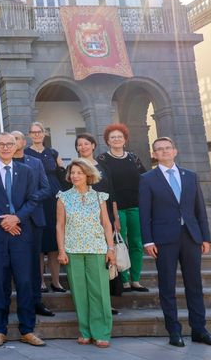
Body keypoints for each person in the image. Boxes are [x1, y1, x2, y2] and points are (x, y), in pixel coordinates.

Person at [139, 137, 211, 348]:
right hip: (163, 239)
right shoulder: (147, 179)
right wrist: (148, 241)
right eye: (160, 149)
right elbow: (144, 213)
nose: (165, 152)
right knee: (167, 286)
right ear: (154, 154)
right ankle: (174, 331)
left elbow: (200, 210)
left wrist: (205, 237)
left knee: (194, 285)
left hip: (191, 237)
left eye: (168, 148)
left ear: (175, 151)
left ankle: (200, 330)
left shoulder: (191, 176)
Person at [0, 132, 45, 347]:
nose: (5, 147)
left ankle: (27, 329)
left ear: (16, 146)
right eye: (1, 144)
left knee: (25, 281)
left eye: (9, 144)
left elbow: (33, 198)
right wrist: (3, 221)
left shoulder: (27, 171)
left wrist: (17, 218)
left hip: (22, 234)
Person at [56, 159, 116, 348]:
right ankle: (85, 331)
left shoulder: (100, 197)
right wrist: (61, 250)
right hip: (73, 250)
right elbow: (60, 225)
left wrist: (111, 248)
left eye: (79, 173)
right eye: (72, 173)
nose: (75, 176)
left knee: (99, 293)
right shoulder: (63, 197)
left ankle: (101, 332)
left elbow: (107, 224)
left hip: (97, 249)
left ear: (88, 175)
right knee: (79, 293)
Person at [97, 123, 148, 293]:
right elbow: (103, 185)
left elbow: (145, 179)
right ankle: (124, 279)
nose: (116, 139)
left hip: (136, 206)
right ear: (108, 141)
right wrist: (112, 213)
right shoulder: (103, 159)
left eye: (119, 137)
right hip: (115, 208)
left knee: (136, 243)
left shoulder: (133, 158)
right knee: (120, 243)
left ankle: (136, 279)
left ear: (125, 139)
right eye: (113, 137)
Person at [11, 131, 55, 318]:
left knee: (34, 265)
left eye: (17, 139)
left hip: (33, 220)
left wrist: (31, 200)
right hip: (11, 221)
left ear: (23, 142)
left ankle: (36, 301)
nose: (13, 142)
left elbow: (46, 188)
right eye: (10, 140)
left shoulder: (35, 163)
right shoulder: (4, 164)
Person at [76, 133, 122, 308]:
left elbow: (112, 193)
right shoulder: (74, 167)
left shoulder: (104, 166)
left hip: (106, 218)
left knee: (105, 259)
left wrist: (115, 217)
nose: (83, 147)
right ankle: (91, 301)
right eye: (79, 145)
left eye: (86, 143)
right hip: (84, 221)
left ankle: (106, 301)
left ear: (93, 145)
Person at [25, 122, 66, 293]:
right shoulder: (25, 153)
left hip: (55, 198)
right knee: (40, 243)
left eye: (39, 132)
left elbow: (62, 174)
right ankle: (40, 281)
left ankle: (56, 282)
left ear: (44, 134)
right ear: (29, 135)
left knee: (54, 242)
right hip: (36, 199)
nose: (36, 135)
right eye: (33, 132)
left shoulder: (53, 153)